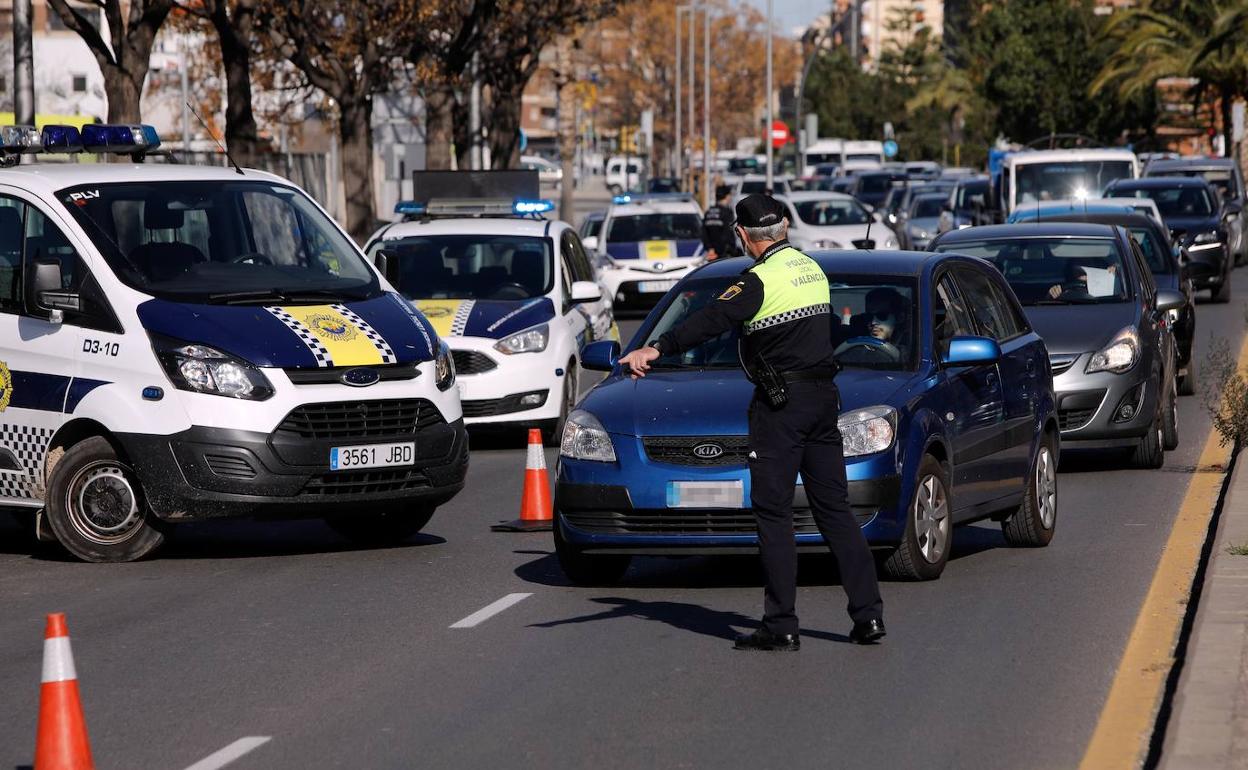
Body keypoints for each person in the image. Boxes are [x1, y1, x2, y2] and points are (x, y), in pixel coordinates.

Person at [618, 194, 885, 651]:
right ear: (783, 226)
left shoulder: (757, 281)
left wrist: (656, 348)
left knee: (775, 515)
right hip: (824, 401)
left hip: (781, 407)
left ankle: (781, 624)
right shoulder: (811, 269)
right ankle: (869, 617)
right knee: (835, 511)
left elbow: (713, 318)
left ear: (742, 235)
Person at [701, 186, 740, 261]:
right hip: (724, 254)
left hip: (711, 254)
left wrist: (709, 248)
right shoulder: (727, 212)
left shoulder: (708, 212)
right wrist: (732, 249)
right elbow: (728, 233)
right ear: (727, 196)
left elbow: (704, 233)